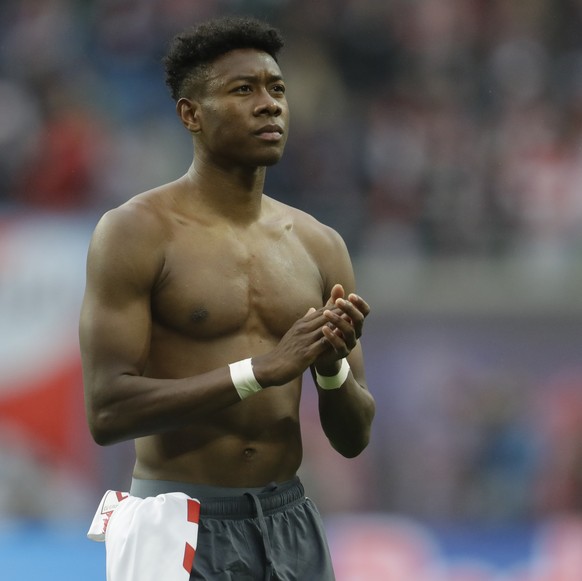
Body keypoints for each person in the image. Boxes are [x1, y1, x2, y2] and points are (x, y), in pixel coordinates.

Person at [80, 15, 375, 581]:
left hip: (290, 521)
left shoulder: (320, 244)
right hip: (177, 523)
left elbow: (354, 438)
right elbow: (107, 411)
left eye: (277, 89)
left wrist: (333, 367)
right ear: (191, 113)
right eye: (244, 90)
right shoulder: (136, 232)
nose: (269, 105)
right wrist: (260, 371)